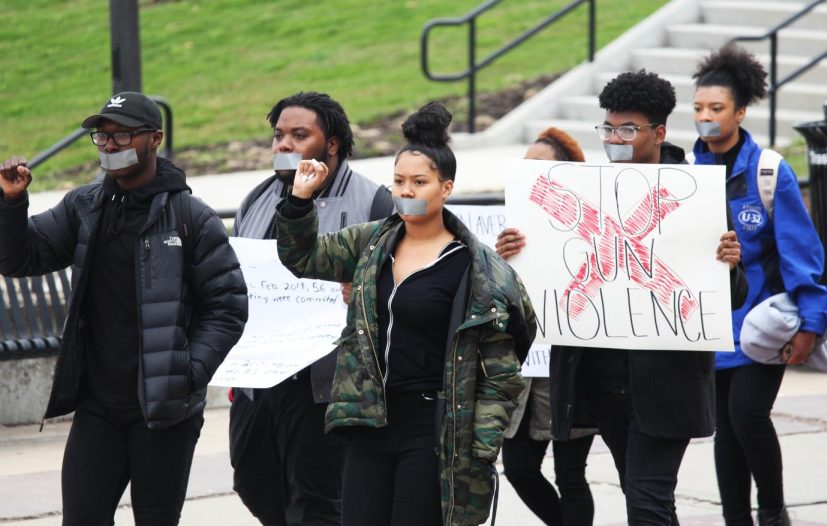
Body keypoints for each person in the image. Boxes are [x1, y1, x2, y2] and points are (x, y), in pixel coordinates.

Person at [498, 70, 748, 525]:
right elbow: (531, 297)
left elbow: (729, 296)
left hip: (666, 381)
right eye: (608, 128)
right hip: (600, 379)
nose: (615, 139)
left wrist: (729, 264)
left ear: (659, 133)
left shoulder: (694, 194)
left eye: (628, 130)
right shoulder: (580, 190)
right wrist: (514, 257)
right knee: (641, 495)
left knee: (648, 497)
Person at [276, 101, 537, 526]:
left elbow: (504, 369)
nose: (406, 192)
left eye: (420, 182)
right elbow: (302, 258)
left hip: (433, 426)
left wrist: (481, 443)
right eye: (398, 181)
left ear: (446, 188)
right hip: (370, 419)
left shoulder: (477, 268)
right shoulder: (372, 242)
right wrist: (299, 201)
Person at [0, 91, 248, 525]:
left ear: (155, 138)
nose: (111, 146)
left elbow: (227, 306)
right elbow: (20, 258)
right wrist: (11, 204)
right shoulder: (85, 206)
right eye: (103, 137)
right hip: (99, 407)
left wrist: (187, 372)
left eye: (123, 136)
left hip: (163, 412)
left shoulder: (190, 216)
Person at [228, 91, 392, 526]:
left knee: (316, 500)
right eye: (279, 135)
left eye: (299, 135)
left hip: (327, 380)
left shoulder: (373, 202)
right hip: (261, 379)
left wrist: (363, 287)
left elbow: (401, 281)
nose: (284, 144)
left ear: (331, 144)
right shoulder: (256, 199)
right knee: (252, 481)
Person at [692, 44, 827, 526]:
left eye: (716, 108)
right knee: (726, 431)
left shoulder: (770, 171)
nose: (705, 117)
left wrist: (811, 323)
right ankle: (738, 519)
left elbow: (801, 254)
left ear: (740, 111)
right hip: (709, 328)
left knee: (748, 416)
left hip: (762, 325)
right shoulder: (684, 175)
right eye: (697, 108)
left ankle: (774, 514)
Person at [497, 128, 596, 526]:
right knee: (520, 468)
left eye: (539, 165)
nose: (529, 172)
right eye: (525, 164)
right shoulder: (510, 225)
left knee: (570, 474)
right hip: (526, 369)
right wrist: (502, 257)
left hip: (572, 366)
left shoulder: (591, 220)